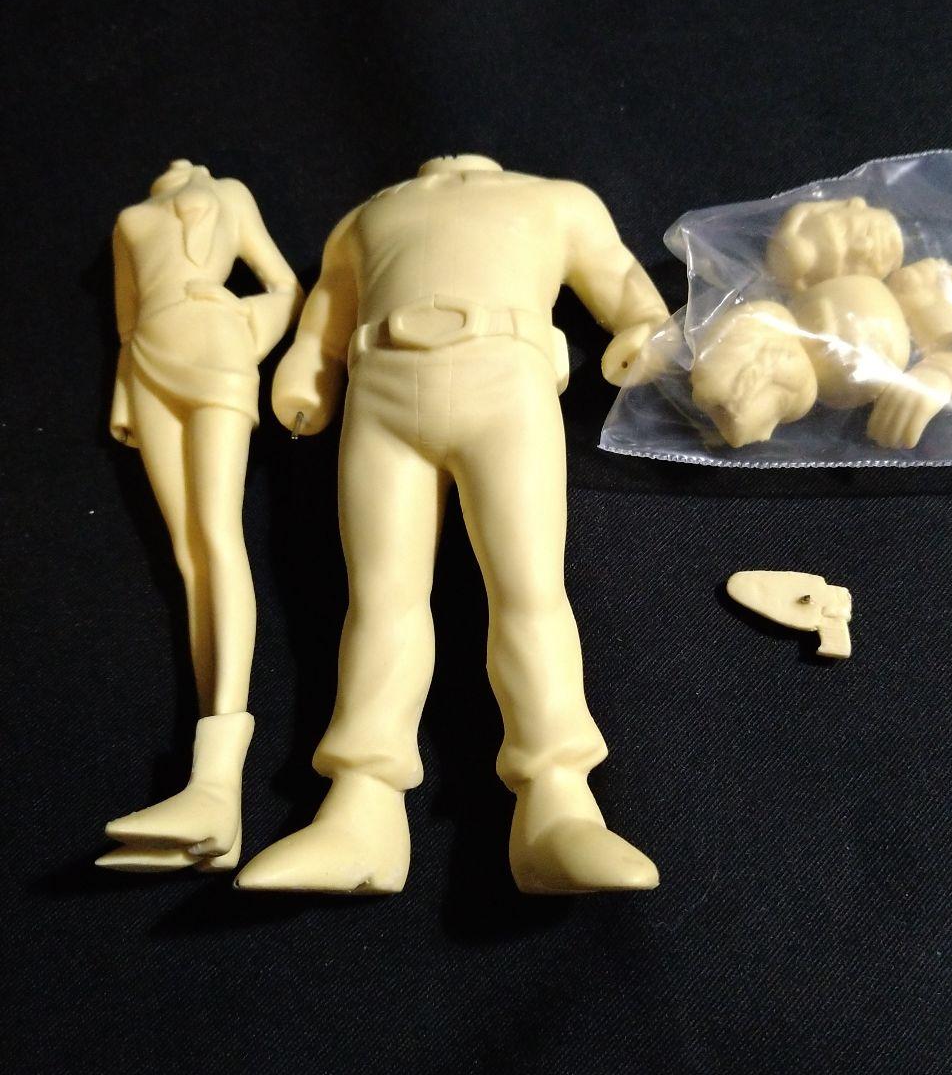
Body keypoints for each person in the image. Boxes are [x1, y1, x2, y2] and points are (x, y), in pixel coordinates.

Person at [236, 155, 667, 894]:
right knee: (381, 598)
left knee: (528, 589)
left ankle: (558, 800)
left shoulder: (555, 199)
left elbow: (618, 274)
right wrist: (310, 359)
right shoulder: (368, 215)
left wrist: (646, 328)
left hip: (505, 382)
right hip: (382, 388)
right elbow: (330, 300)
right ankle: (361, 806)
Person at [98, 160, 302, 873]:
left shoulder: (230, 194)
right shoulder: (131, 221)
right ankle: (215, 807)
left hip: (217, 345)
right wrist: (124, 394)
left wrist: (246, 328)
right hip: (150, 358)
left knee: (218, 535)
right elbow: (127, 324)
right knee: (188, 556)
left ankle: (215, 781)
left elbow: (283, 284)